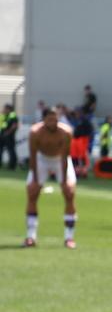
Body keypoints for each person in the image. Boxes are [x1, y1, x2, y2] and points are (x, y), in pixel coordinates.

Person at [24, 106, 77, 248]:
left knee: (69, 192)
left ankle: (69, 237)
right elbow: (33, 155)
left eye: (55, 119)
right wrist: (35, 179)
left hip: (60, 160)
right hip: (41, 160)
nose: (53, 122)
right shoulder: (35, 132)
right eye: (50, 119)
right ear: (44, 119)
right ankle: (30, 236)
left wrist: (64, 181)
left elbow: (65, 157)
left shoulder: (66, 132)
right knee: (32, 192)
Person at [0, 102, 17, 169]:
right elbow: (2, 124)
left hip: (9, 136)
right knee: (1, 149)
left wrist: (8, 132)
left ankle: (12, 165)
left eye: (5, 108)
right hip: (2, 135)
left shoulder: (12, 115)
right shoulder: (4, 115)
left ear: (8, 109)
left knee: (11, 150)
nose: (3, 110)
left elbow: (14, 125)